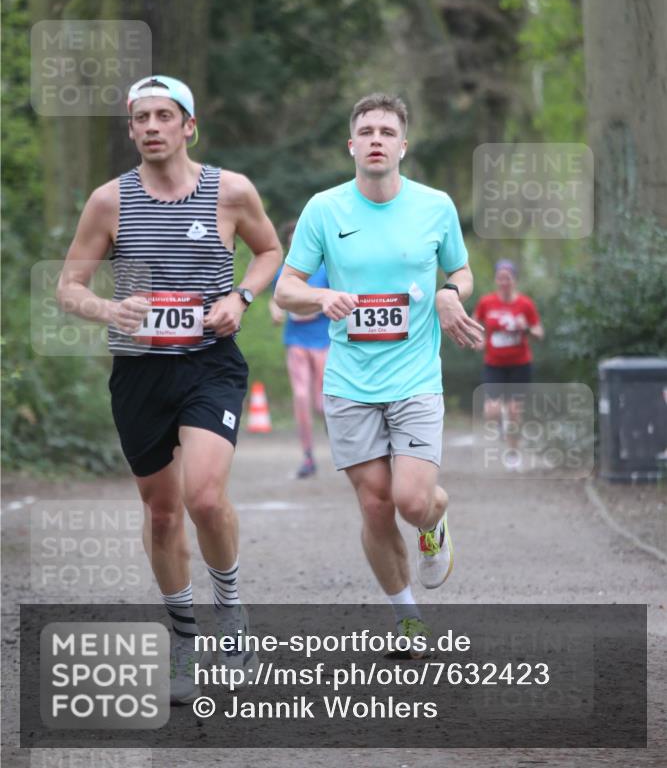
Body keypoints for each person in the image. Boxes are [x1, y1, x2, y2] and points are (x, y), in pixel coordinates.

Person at [56, 75, 282, 703]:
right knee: (162, 513)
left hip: (210, 362)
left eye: (164, 116)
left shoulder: (230, 191)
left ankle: (231, 617)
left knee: (205, 497)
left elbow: (269, 252)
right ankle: (183, 636)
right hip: (139, 371)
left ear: (190, 127)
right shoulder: (109, 201)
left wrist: (241, 297)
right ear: (130, 130)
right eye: (141, 118)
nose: (152, 127)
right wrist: (109, 311)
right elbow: (68, 286)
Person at [274, 93, 484, 642]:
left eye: (386, 132)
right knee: (374, 504)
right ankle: (406, 616)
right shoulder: (325, 209)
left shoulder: (435, 206)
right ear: (351, 145)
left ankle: (435, 521)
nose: (375, 139)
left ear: (402, 146)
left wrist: (448, 294)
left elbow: (461, 272)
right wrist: (319, 299)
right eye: (365, 130)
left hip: (414, 377)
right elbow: (286, 287)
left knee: (412, 501)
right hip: (349, 382)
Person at [269, 222, 330, 478]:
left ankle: (344, 447)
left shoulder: (327, 269)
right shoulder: (284, 272)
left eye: (301, 241)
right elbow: (277, 300)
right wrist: (275, 311)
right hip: (296, 341)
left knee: (321, 403)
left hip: (324, 341)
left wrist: (312, 305)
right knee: (302, 398)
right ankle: (307, 456)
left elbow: (335, 298)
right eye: (292, 242)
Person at [473, 260, 544, 470]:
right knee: (491, 411)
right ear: (496, 279)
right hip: (494, 364)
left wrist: (527, 329)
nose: (504, 282)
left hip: (520, 364)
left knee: (514, 411)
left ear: (514, 279)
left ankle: (513, 452)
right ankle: (502, 426)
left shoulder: (525, 304)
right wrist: (477, 338)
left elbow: (540, 332)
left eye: (508, 278)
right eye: (500, 278)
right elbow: (473, 322)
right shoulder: (487, 302)